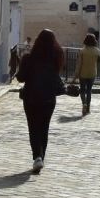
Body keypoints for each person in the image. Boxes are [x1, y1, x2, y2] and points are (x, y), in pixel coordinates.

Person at [18, 29, 65, 173]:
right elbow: (56, 80)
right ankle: (41, 158)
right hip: (48, 99)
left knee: (33, 128)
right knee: (44, 128)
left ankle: (37, 157)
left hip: (31, 98)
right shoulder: (55, 60)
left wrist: (22, 65)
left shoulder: (29, 58)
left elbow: (20, 78)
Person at [76, 33, 100, 116]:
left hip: (83, 73)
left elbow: (79, 64)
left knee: (82, 90)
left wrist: (76, 74)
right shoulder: (97, 51)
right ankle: (88, 108)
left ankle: (84, 104)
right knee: (89, 90)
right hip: (92, 73)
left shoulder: (82, 51)